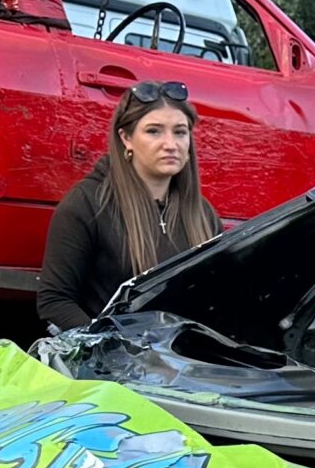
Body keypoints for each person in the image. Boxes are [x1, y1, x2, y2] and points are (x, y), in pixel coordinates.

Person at [37, 81, 220, 331]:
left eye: (180, 132)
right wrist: (105, 344)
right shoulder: (88, 203)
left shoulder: (203, 214)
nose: (170, 144)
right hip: (111, 352)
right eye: (154, 131)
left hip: (186, 352)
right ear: (126, 138)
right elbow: (54, 300)